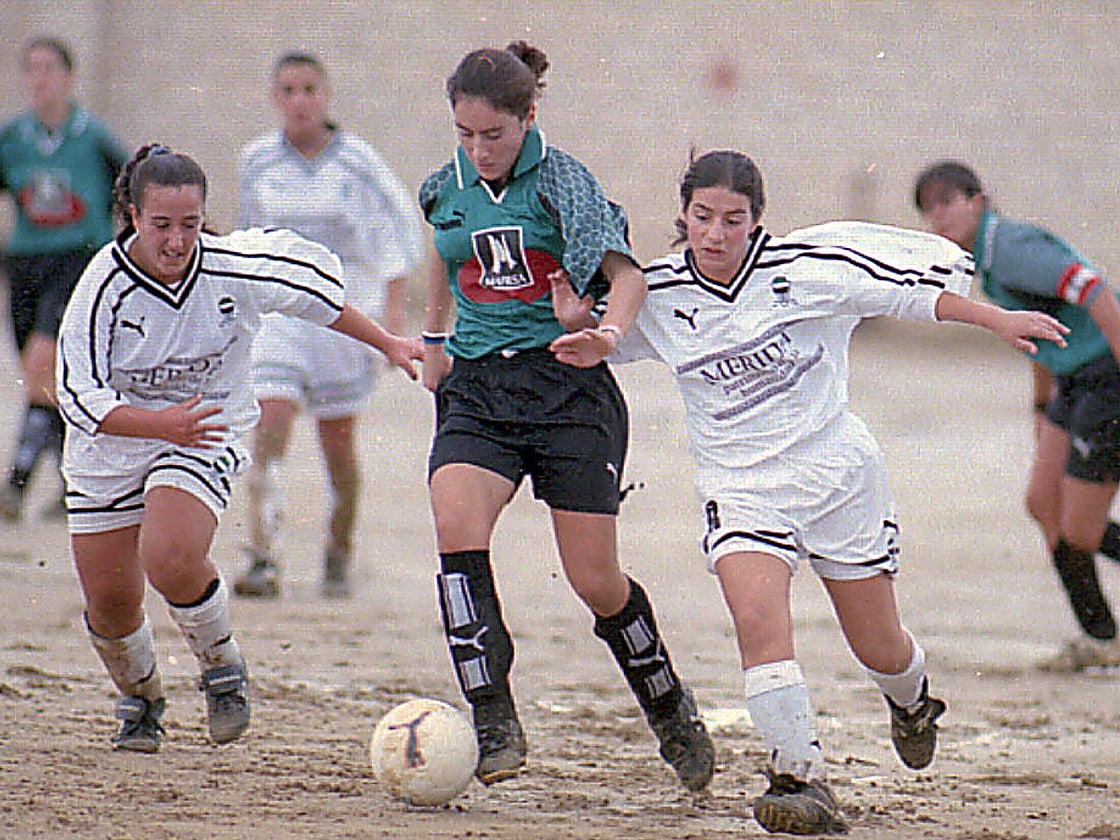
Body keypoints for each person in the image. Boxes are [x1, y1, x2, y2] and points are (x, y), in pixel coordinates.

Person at [551, 150, 1068, 835]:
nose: (715, 233)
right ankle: (800, 776)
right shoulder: (658, 294)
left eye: (732, 219)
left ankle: (911, 700)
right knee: (759, 624)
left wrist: (995, 319)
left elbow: (910, 295)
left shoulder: (807, 270)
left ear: (756, 220)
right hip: (741, 489)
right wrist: (576, 328)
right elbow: (601, 334)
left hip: (835, 478)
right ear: (683, 216)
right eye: (702, 217)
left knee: (879, 645)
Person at [418, 41, 715, 794]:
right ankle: (493, 717)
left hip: (566, 390)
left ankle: (670, 707)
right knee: (456, 528)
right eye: (465, 134)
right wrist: (433, 341)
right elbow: (442, 251)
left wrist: (605, 333)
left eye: (495, 134)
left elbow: (628, 276)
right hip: (480, 391)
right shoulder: (442, 186)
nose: (479, 150)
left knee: (596, 580)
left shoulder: (562, 182)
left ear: (528, 118)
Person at [56, 144, 422, 753]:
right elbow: (74, 393)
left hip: (201, 429)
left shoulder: (231, 266)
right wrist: (156, 423)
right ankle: (141, 699)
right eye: (162, 226)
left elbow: (317, 298)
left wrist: (387, 342)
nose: (177, 242)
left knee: (170, 555)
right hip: (111, 445)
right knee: (112, 604)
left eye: (191, 225)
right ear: (131, 216)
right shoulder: (102, 287)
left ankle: (222, 670)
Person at [231, 52, 425, 600]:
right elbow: (246, 242)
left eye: (309, 89)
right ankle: (263, 555)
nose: (299, 101)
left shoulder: (359, 164)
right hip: (279, 318)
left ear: (326, 95)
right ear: (275, 96)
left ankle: (338, 551)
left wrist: (390, 317)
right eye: (288, 90)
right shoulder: (256, 162)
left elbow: (397, 237)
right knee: (268, 426)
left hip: (343, 318)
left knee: (337, 445)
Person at [915, 161, 1120, 672]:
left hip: (1107, 375)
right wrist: (1041, 406)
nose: (938, 216)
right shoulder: (984, 260)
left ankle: (1105, 639)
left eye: (947, 201)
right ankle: (1103, 638)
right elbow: (1038, 334)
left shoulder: (1011, 249)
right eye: (927, 208)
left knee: (1081, 530)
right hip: (1073, 379)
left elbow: (1096, 293)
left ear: (979, 199)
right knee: (1041, 502)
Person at [0, 36, 129, 523]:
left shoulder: (92, 135)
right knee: (40, 378)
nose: (39, 78)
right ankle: (78, 478)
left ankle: (15, 485)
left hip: (77, 259)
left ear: (68, 77)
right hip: (25, 262)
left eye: (49, 68)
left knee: (43, 362)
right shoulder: (12, 137)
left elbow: (130, 183)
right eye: (31, 69)